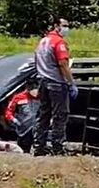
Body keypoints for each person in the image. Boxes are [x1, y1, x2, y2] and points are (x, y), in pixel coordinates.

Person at [33, 18, 77, 156]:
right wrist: (71, 83)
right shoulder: (58, 42)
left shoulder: (42, 42)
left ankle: (38, 146)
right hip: (56, 83)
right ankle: (57, 146)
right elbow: (63, 64)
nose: (66, 28)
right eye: (64, 25)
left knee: (43, 115)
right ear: (56, 26)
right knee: (60, 115)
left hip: (43, 82)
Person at [3, 79, 40, 153]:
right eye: (31, 87)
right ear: (27, 87)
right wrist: (14, 120)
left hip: (37, 128)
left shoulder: (41, 97)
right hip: (23, 128)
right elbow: (8, 111)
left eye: (35, 87)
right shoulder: (18, 97)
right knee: (23, 149)